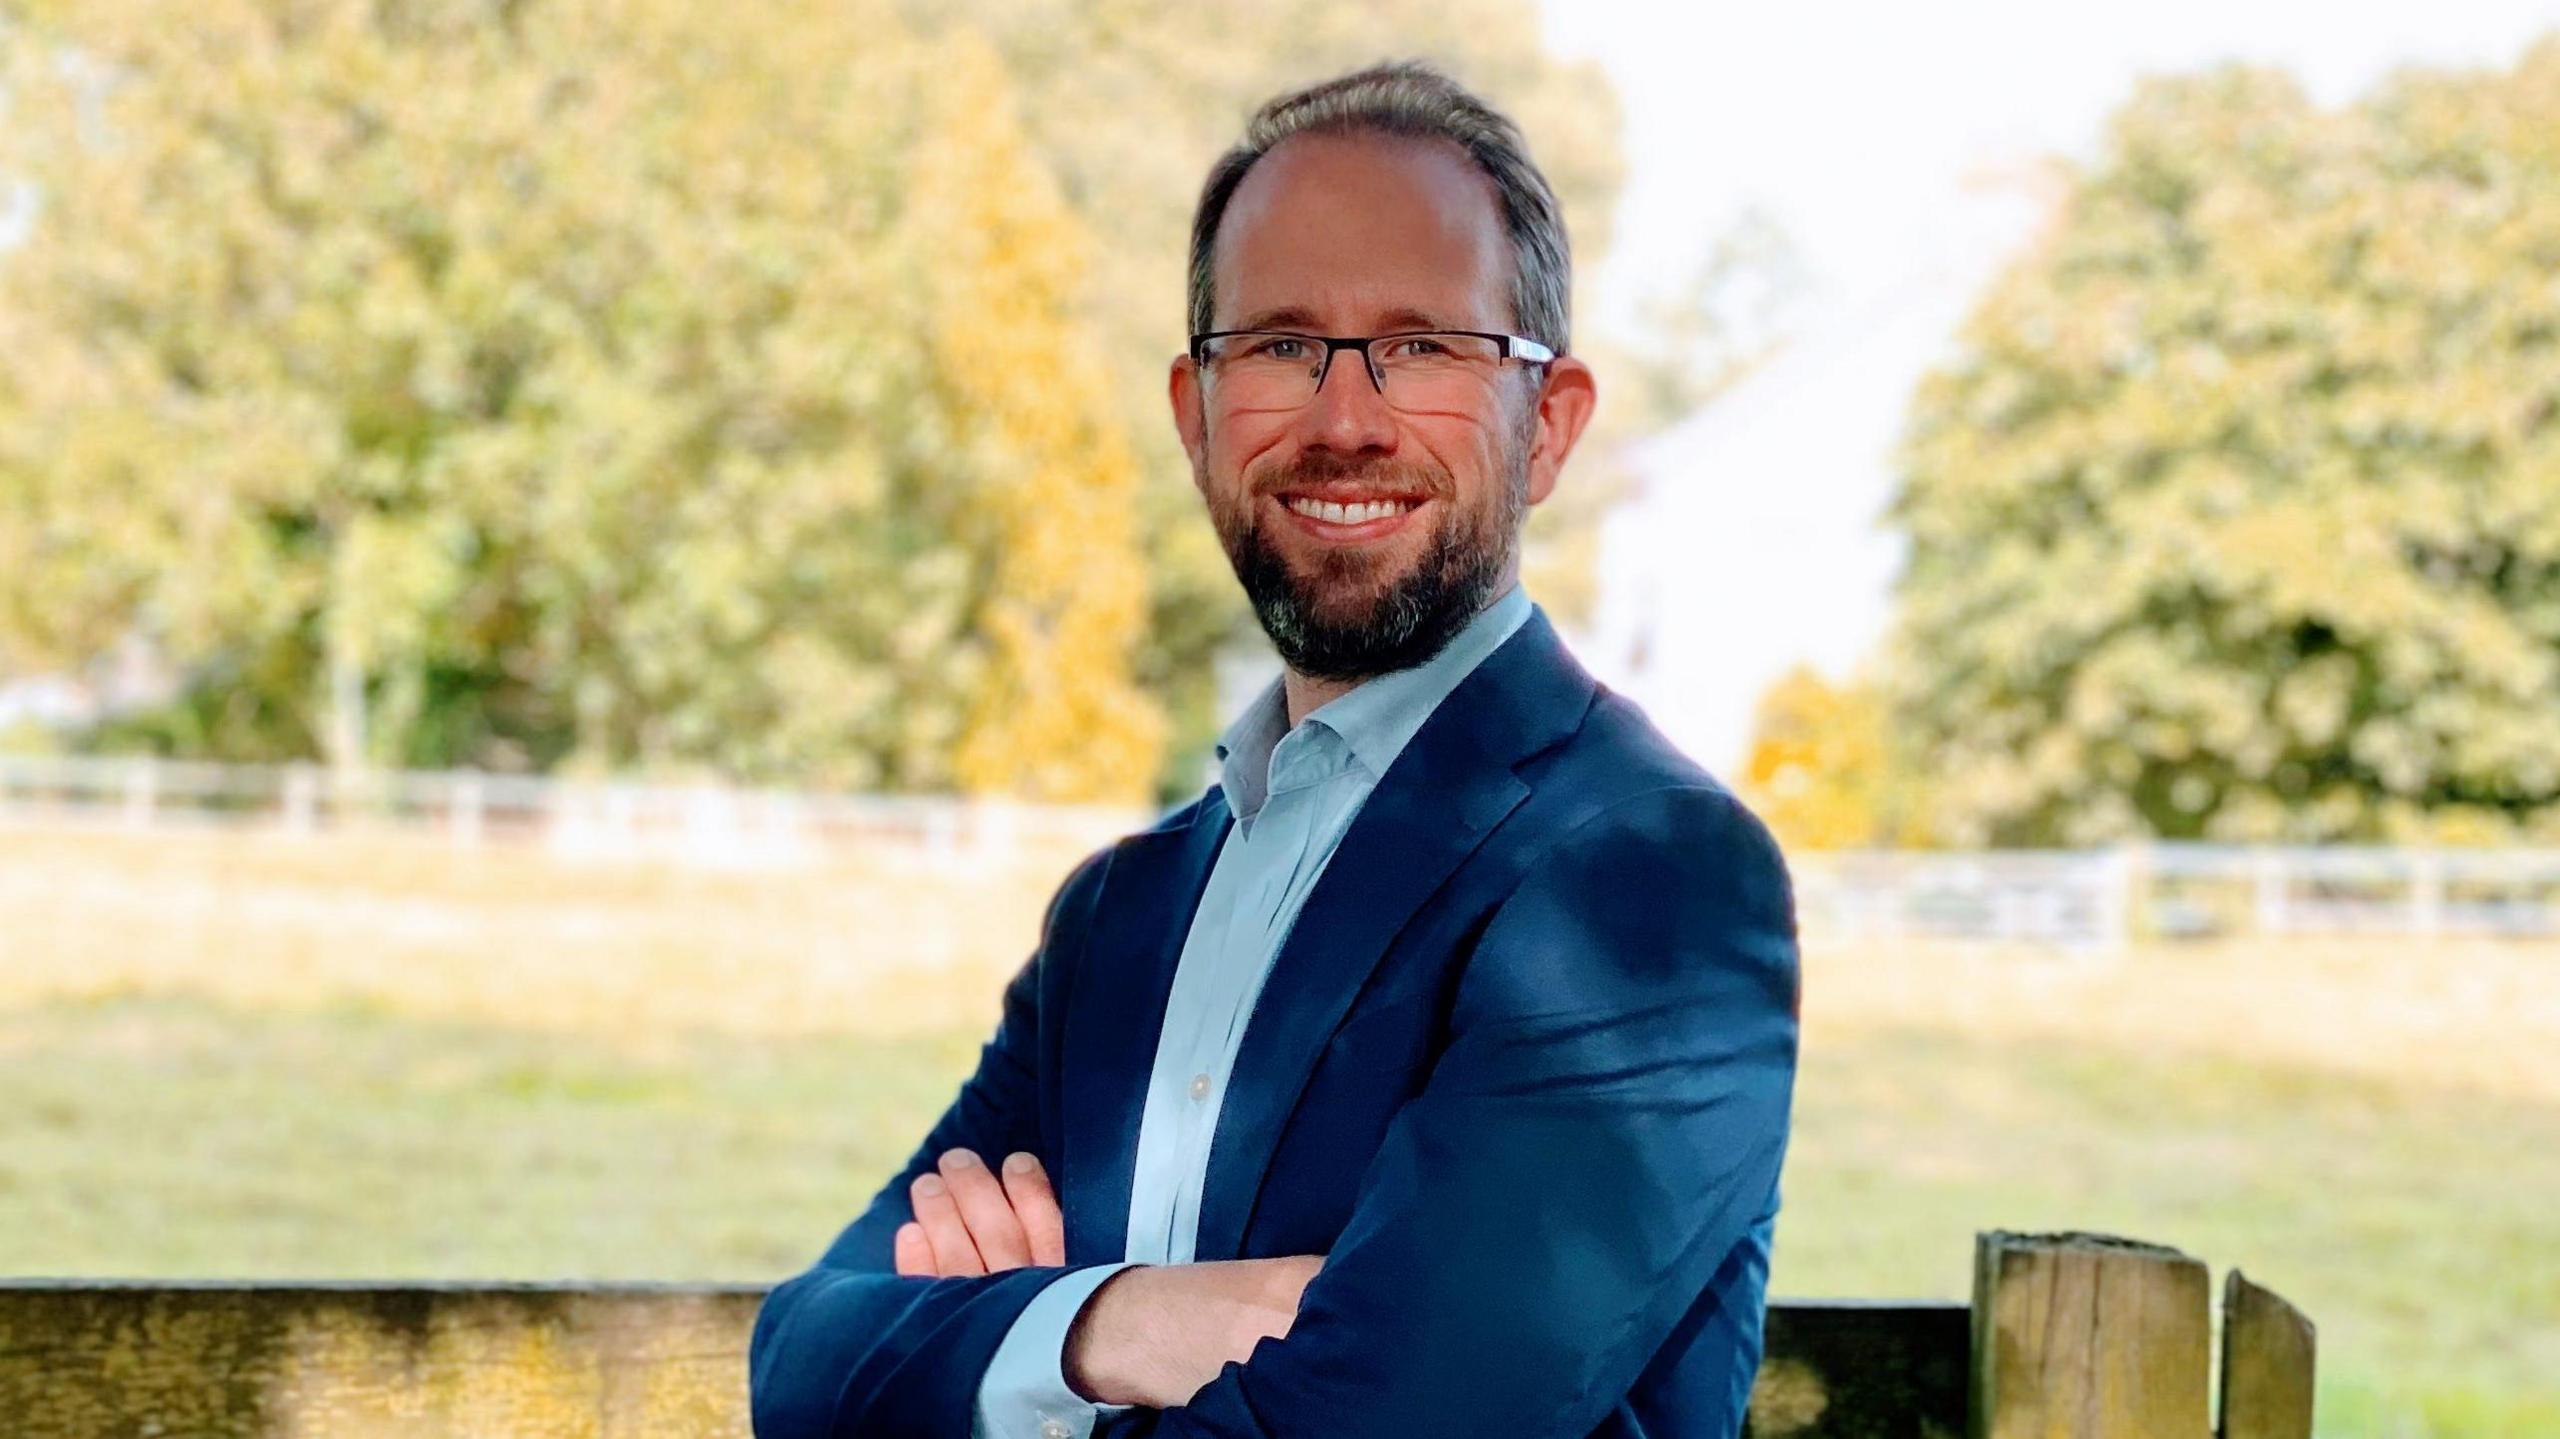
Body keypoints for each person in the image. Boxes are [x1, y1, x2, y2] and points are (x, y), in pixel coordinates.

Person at [749, 57, 1800, 1439]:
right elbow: (806, 1359)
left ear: (1546, 426)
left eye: (1425, 345)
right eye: (1282, 346)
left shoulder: (1650, 885)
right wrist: (1126, 1323)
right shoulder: (1119, 921)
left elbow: (1389, 1424)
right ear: (1196, 419)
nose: (1346, 418)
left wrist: (1005, 1349)